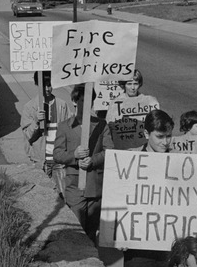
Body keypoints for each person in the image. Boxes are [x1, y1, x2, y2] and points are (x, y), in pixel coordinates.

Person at [120, 108, 174, 267]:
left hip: (168, 245)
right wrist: (118, 232)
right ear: (146, 134)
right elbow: (119, 197)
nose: (165, 142)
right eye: (160, 137)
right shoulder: (130, 160)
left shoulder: (181, 164)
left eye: (169, 136)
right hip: (138, 245)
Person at [53, 84, 114, 243]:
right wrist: (74, 155)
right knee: (77, 231)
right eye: (80, 101)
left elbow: (109, 151)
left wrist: (93, 160)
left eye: (88, 101)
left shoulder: (101, 125)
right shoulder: (64, 126)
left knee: (92, 232)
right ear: (74, 101)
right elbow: (57, 154)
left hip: (95, 186)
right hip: (75, 187)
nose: (84, 105)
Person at [20, 71, 74, 195]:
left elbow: (68, 131)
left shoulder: (62, 105)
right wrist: (37, 122)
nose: (47, 88)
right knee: (42, 196)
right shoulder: (30, 107)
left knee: (62, 195)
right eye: (43, 85)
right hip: (41, 160)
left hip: (59, 159)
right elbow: (28, 136)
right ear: (37, 85)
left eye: (49, 85)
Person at [106, 68, 160, 149]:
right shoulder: (115, 104)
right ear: (124, 85)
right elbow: (109, 130)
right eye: (129, 84)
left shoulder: (149, 101)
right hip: (123, 148)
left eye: (135, 84)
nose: (133, 87)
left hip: (143, 148)